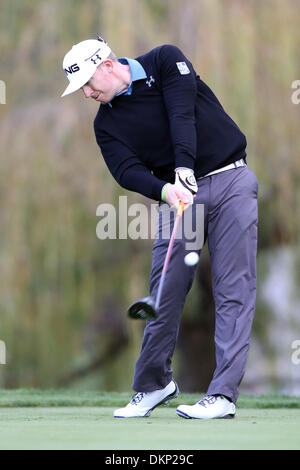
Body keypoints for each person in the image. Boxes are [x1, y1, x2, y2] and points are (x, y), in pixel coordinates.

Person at [61, 36, 258, 420]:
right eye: (80, 88)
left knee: (234, 288)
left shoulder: (164, 61)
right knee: (164, 290)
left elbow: (180, 112)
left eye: (88, 82)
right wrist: (166, 189)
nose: (86, 93)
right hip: (177, 199)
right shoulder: (107, 125)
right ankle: (154, 384)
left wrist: (183, 165)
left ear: (106, 65)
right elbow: (125, 171)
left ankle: (222, 396)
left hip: (230, 180)